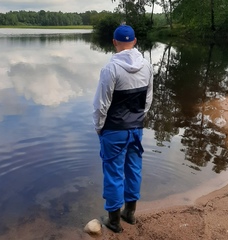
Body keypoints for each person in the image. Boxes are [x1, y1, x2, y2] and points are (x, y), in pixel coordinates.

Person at [93, 24, 153, 233]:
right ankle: (130, 213)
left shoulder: (111, 69)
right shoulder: (147, 66)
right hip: (136, 128)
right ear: (134, 41)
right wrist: (138, 120)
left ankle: (114, 221)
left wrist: (99, 128)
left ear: (114, 43)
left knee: (113, 173)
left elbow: (101, 105)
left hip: (114, 130)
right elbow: (148, 100)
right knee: (134, 169)